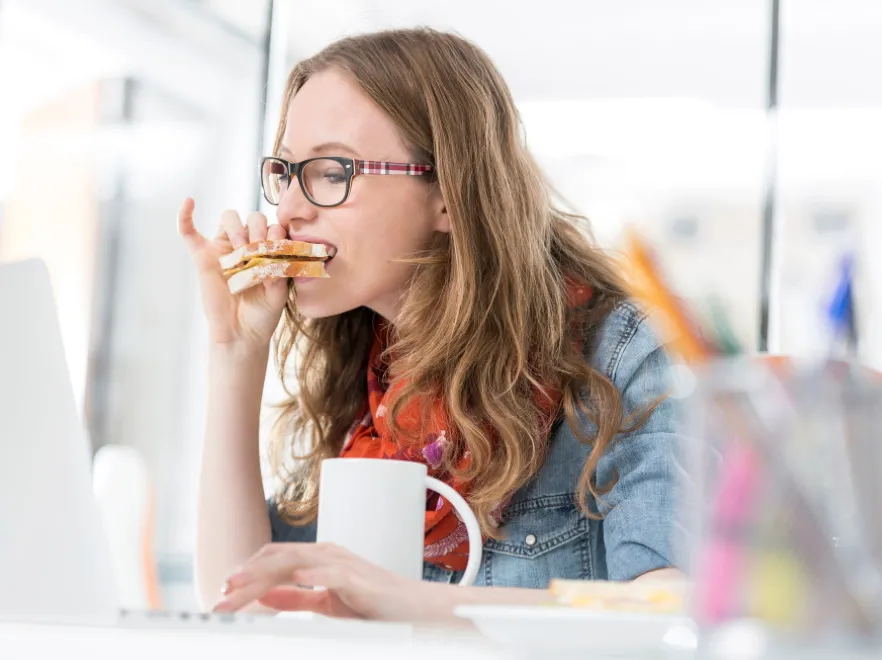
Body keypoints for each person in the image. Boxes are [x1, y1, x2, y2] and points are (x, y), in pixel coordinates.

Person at [178, 27, 683, 622]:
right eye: (286, 172)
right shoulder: (363, 381)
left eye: (332, 172)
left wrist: (411, 602)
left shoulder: (621, 354)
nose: (288, 209)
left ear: (447, 193)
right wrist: (236, 352)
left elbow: (674, 609)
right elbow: (237, 603)